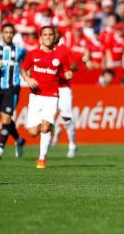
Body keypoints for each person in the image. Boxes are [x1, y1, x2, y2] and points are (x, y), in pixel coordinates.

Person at [20, 26, 72, 169]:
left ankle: (42, 158)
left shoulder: (61, 55)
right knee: (32, 132)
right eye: (45, 34)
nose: (48, 37)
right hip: (36, 96)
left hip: (52, 96)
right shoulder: (33, 54)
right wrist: (28, 80)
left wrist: (68, 74)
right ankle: (51, 127)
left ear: (53, 37)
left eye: (50, 34)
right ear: (40, 37)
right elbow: (23, 69)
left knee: (45, 127)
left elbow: (67, 72)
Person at [0, 23, 27, 160]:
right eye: (6, 32)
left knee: (6, 117)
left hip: (13, 87)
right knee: (5, 118)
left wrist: (28, 77)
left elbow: (26, 65)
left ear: (13, 34)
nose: (8, 35)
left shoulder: (20, 50)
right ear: (2, 34)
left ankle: (0, 148)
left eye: (11, 32)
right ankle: (19, 139)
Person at [50, 28, 77, 158]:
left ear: (58, 37)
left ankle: (72, 145)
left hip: (63, 87)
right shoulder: (43, 49)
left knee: (66, 117)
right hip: (48, 87)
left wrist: (66, 70)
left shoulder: (64, 50)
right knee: (46, 116)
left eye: (53, 34)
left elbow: (74, 65)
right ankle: (56, 128)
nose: (51, 36)